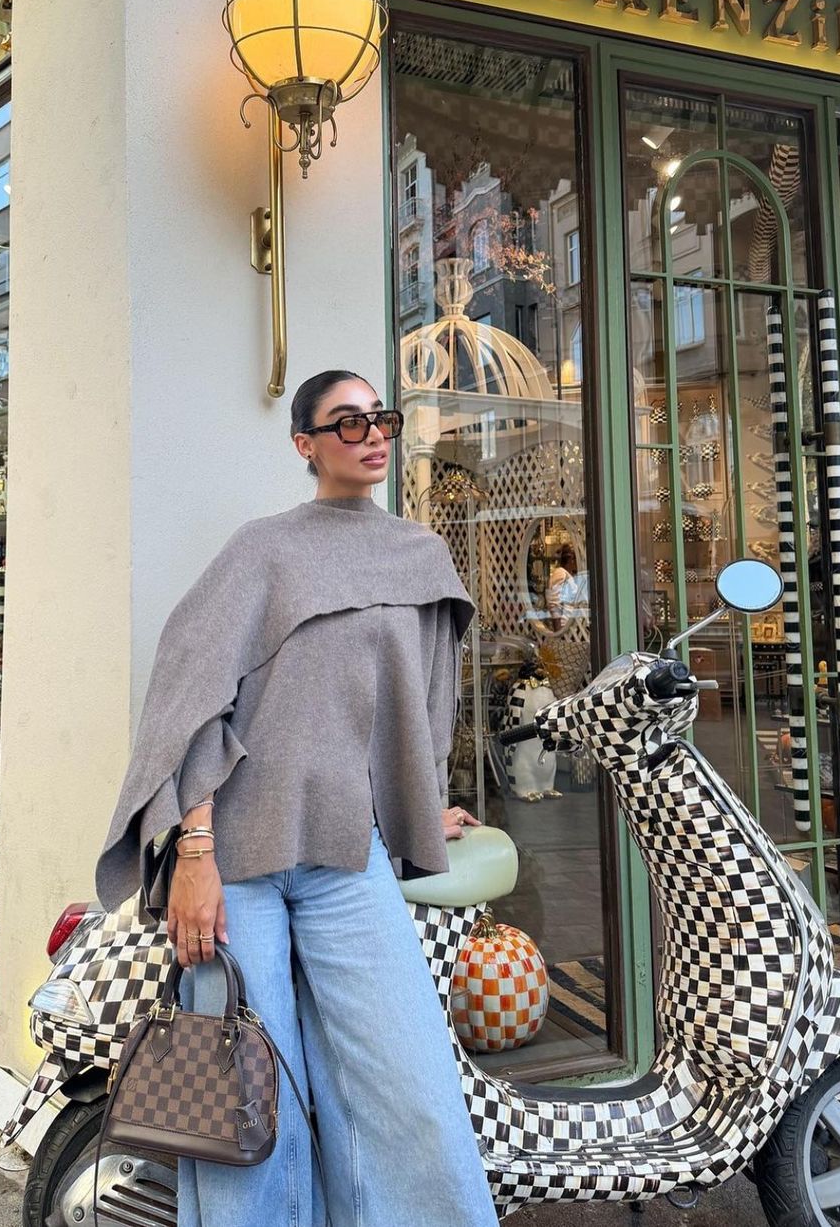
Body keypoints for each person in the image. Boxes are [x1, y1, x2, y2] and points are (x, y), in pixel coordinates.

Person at [95, 370, 500, 1227]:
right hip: (235, 859)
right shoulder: (264, 551)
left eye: (380, 417)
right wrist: (194, 853)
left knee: (412, 1086)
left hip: (346, 856)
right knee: (249, 1099)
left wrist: (419, 804)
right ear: (304, 444)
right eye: (346, 421)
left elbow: (413, 707)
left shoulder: (419, 555)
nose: (372, 433)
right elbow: (190, 699)